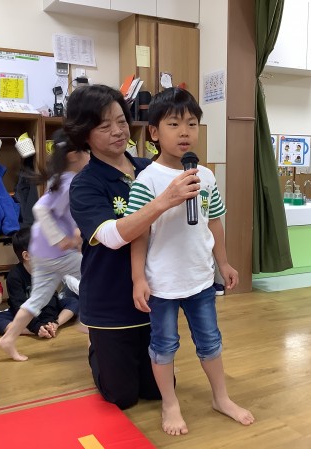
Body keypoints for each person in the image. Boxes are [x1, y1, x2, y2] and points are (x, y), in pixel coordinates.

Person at [125, 87, 254, 436]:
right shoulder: (147, 180)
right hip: (163, 283)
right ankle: (170, 403)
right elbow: (139, 234)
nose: (184, 132)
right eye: (174, 124)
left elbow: (214, 222)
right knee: (164, 345)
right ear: (154, 132)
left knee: (210, 341)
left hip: (200, 279)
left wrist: (223, 264)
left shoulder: (206, 176)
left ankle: (221, 398)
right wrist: (138, 278)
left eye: (192, 124)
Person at [66, 84, 199, 410]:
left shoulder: (148, 168)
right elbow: (112, 236)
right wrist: (163, 201)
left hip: (154, 294)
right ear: (85, 134)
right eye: (104, 125)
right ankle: (98, 347)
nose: (117, 131)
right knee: (121, 396)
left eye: (121, 121)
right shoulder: (85, 184)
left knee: (156, 391)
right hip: (110, 300)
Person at [0, 130, 87, 361]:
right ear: (73, 155)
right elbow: (40, 209)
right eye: (87, 151)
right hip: (55, 252)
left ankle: (8, 339)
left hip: (43, 252)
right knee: (96, 276)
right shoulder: (68, 181)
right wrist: (62, 239)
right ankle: (88, 323)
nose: (90, 156)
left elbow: (64, 214)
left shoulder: (60, 177)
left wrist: (74, 235)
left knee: (38, 299)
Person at [0, 227, 79, 338]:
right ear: (27, 256)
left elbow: (51, 298)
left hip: (48, 310)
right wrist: (36, 327)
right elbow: (18, 305)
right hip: (24, 313)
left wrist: (51, 321)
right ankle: (30, 331)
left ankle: (54, 325)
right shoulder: (14, 275)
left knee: (73, 302)